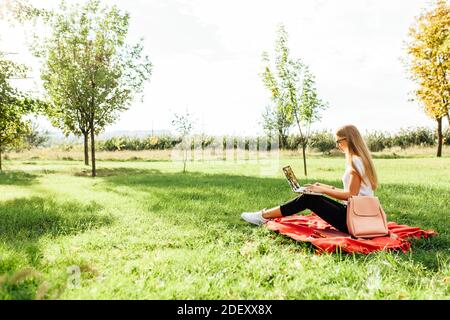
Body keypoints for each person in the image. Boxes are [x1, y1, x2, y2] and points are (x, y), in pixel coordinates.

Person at [241, 124, 378, 234]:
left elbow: (350, 195)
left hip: (355, 220)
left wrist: (322, 191)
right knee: (310, 197)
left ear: (348, 139)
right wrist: (323, 187)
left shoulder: (355, 161)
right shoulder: (360, 159)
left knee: (308, 198)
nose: (337, 145)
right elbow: (352, 193)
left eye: (338, 141)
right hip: (357, 215)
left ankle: (263, 216)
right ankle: (263, 215)